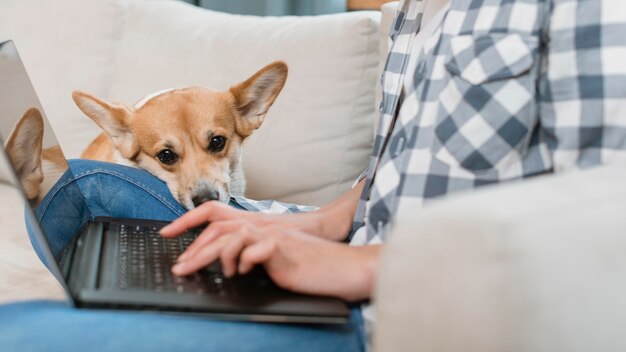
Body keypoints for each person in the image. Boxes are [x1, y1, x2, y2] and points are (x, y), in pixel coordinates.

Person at [3, 0, 626, 350]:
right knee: (82, 189)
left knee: (18, 333)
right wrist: (315, 229)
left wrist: (360, 267)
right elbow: (387, 175)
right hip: (331, 254)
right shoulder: (415, 12)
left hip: (395, 304)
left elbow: (608, 223)